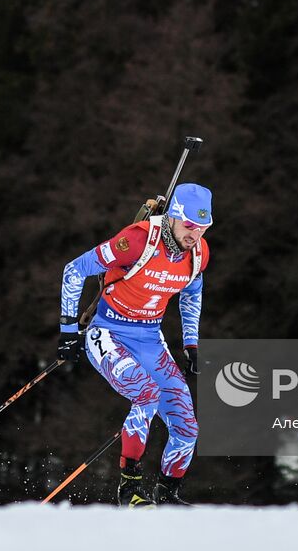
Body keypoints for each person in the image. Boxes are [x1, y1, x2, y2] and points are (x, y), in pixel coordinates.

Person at [57, 182, 212, 507]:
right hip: (108, 334)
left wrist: (191, 343)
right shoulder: (138, 240)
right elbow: (74, 271)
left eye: (203, 228)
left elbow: (192, 294)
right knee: (146, 395)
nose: (194, 235)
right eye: (189, 226)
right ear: (173, 216)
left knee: (187, 427)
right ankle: (130, 489)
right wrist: (68, 330)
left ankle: (168, 494)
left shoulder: (198, 254)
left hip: (150, 338)